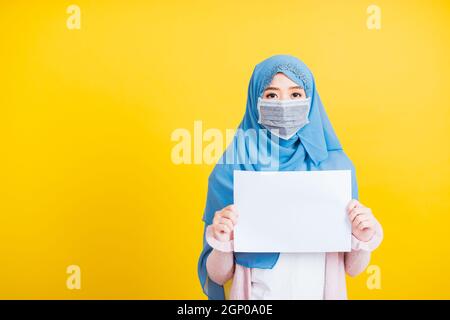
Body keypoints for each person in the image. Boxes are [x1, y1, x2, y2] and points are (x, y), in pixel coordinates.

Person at [197, 54, 383, 300]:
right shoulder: (232, 169)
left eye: (295, 95)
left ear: (310, 99)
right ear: (256, 100)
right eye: (272, 95)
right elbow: (219, 276)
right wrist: (221, 241)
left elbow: (353, 268)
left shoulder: (335, 168)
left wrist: (363, 236)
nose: (284, 104)